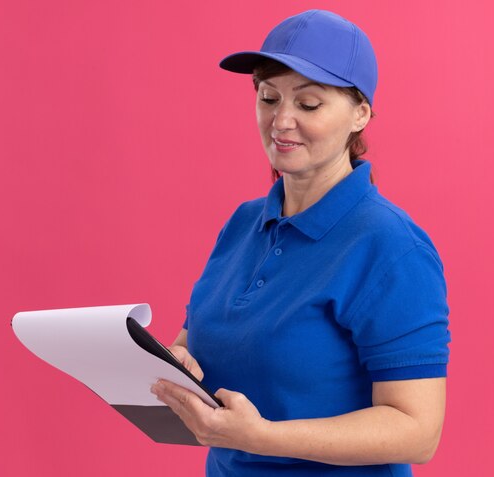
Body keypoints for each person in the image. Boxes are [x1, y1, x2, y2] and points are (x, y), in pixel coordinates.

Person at [150, 9, 451, 477]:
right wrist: (179, 365)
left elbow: (417, 430)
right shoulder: (244, 222)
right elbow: (197, 341)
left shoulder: (391, 247)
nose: (281, 120)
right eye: (268, 97)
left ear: (360, 114)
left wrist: (261, 437)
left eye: (308, 105)